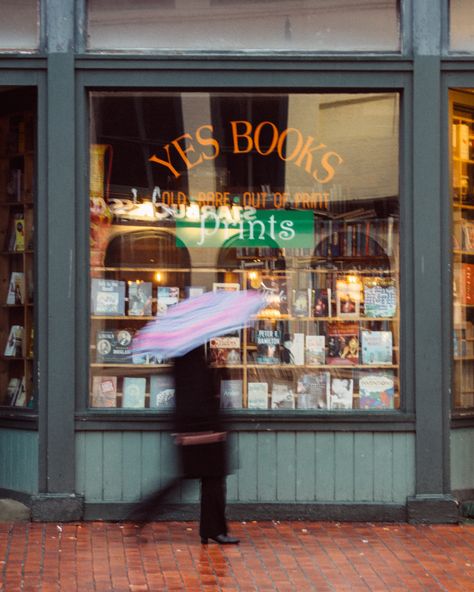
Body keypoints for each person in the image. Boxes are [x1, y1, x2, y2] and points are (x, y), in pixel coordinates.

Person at [127, 345, 239, 545]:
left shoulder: (186, 356)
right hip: (202, 431)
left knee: (205, 480)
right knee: (209, 480)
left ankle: (210, 529)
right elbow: (196, 396)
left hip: (198, 430)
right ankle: (143, 512)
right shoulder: (190, 358)